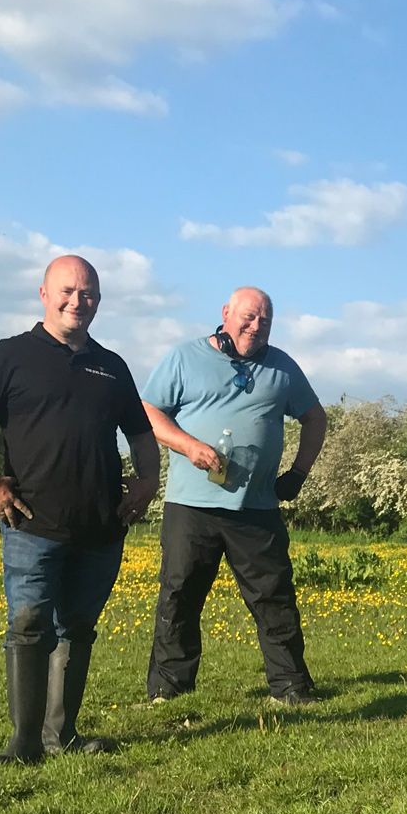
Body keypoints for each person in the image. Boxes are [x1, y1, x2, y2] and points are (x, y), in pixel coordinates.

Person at [0, 254, 159, 765]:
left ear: (99, 302)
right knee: (29, 627)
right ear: (43, 294)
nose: (76, 302)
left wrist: (146, 483)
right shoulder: (8, 356)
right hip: (30, 524)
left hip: (101, 527)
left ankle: (62, 735)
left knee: (77, 628)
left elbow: (141, 433)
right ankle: (23, 745)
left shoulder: (112, 365)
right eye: (66, 291)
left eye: (87, 294)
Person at [141, 287, 328, 707]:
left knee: (274, 597)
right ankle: (169, 691)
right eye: (248, 317)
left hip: (257, 507)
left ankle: (291, 687)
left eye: (264, 321)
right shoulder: (184, 358)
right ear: (226, 314)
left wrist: (298, 473)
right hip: (192, 506)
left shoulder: (282, 367)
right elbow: (149, 411)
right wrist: (188, 446)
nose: (256, 326)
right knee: (180, 595)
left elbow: (315, 418)